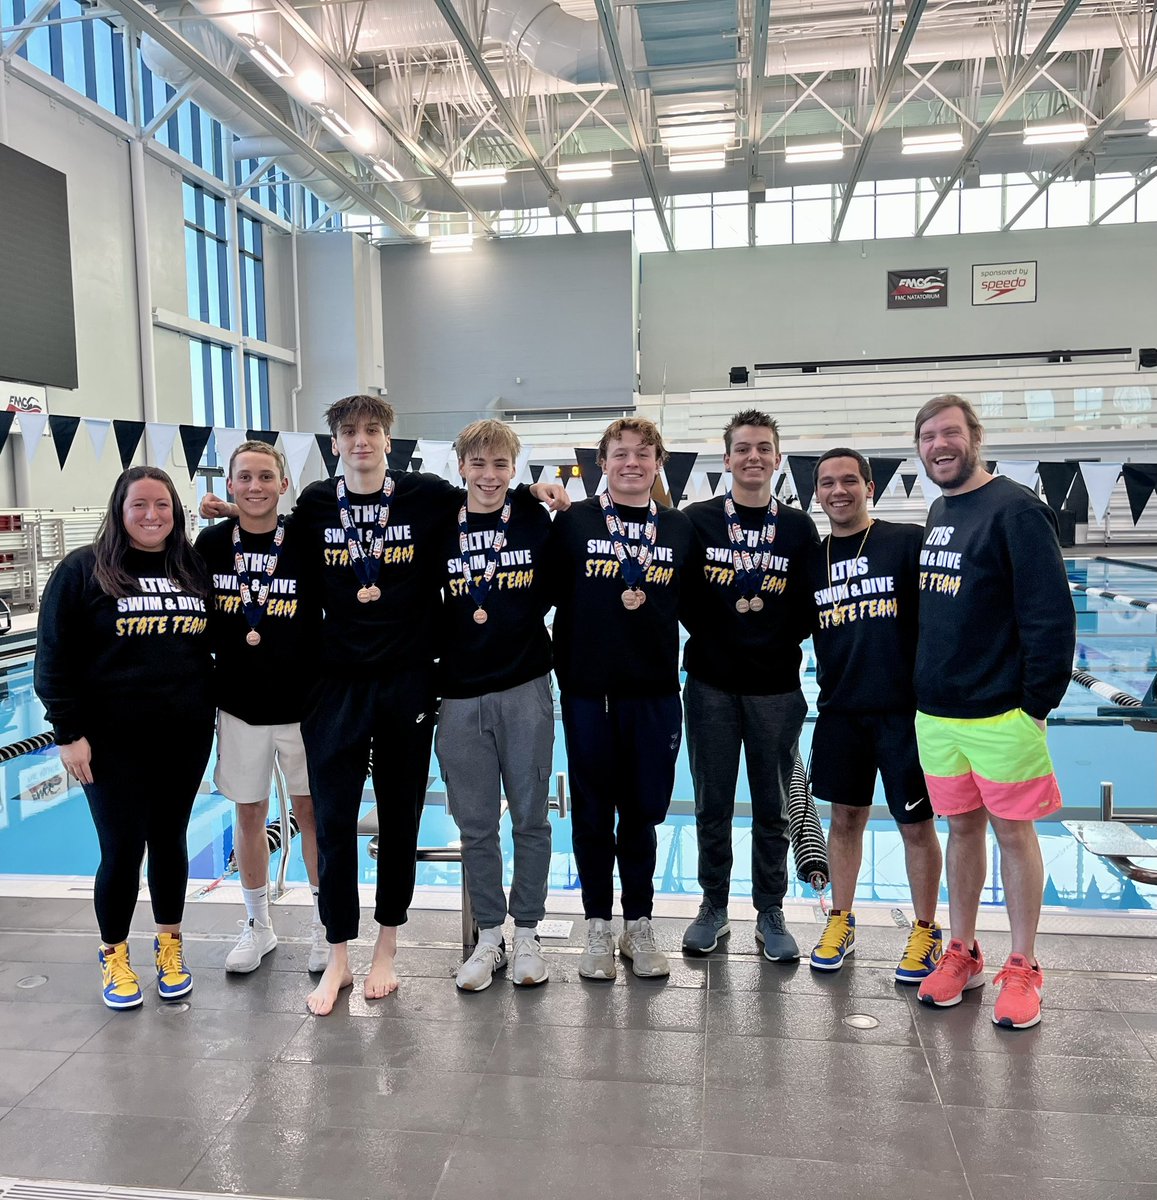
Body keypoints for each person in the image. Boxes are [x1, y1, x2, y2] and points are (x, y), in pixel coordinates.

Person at [219, 396, 567, 1015]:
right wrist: (226, 510)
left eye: (372, 430)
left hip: (408, 681)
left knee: (400, 819)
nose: (361, 440)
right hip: (337, 686)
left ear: (388, 439)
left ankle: (386, 947)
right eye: (349, 431)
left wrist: (535, 492)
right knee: (332, 818)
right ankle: (338, 954)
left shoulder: (425, 495)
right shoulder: (316, 505)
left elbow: (486, 497)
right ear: (334, 443)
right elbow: (264, 529)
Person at [911, 395, 1074, 1029]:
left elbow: (1050, 614)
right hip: (938, 713)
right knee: (962, 831)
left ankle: (1024, 963)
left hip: (1002, 714)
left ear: (974, 438)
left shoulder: (1017, 509)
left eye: (950, 433)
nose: (939, 445)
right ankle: (963, 951)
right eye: (928, 437)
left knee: (1013, 834)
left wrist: (1035, 706)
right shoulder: (940, 510)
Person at [35, 466, 215, 1009]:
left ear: (176, 512)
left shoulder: (191, 567)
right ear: (120, 509)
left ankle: (169, 945)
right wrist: (69, 733)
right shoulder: (82, 570)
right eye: (139, 504)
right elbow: (52, 658)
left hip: (183, 734)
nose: (152, 515)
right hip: (111, 741)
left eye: (162, 505)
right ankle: (114, 953)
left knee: (170, 841)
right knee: (120, 849)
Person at [551, 417, 699, 980]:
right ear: (602, 463)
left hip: (654, 692)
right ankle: (597, 924)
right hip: (589, 692)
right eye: (620, 453)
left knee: (641, 814)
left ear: (659, 462)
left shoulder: (679, 527)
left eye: (643, 453)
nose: (631, 462)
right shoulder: (575, 521)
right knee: (592, 813)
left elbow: (698, 606)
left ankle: (638, 922)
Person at [679, 411, 818, 962]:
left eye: (763, 448)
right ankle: (713, 904)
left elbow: (810, 603)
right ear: (727, 459)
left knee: (773, 807)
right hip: (710, 685)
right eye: (743, 448)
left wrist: (768, 639)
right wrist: (722, 638)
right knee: (711, 803)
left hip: (776, 687)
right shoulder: (698, 521)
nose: (753, 457)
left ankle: (770, 909)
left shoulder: (799, 528)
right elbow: (682, 597)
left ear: (777, 458)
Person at [806, 448, 944, 979]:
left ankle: (926, 930)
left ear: (869, 486)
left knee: (915, 825)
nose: (838, 491)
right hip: (840, 711)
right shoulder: (813, 559)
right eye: (827, 483)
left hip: (903, 714)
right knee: (843, 820)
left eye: (849, 481)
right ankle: (840, 920)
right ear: (817, 493)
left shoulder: (906, 542)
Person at [195, 441, 326, 976]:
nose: (255, 486)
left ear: (283, 485)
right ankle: (258, 925)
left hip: (303, 706)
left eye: (266, 477)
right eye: (244, 478)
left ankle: (324, 926)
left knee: (310, 815)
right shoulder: (210, 545)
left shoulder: (306, 540)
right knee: (248, 814)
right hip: (239, 706)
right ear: (229, 484)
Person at [435, 420, 554, 991]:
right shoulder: (439, 521)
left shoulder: (532, 517)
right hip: (459, 692)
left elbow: (554, 589)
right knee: (475, 824)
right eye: (478, 464)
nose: (489, 475)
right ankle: (489, 936)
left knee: (530, 817)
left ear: (514, 468)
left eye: (501, 464)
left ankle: (527, 931)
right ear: (461, 466)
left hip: (524, 684)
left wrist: (537, 492)